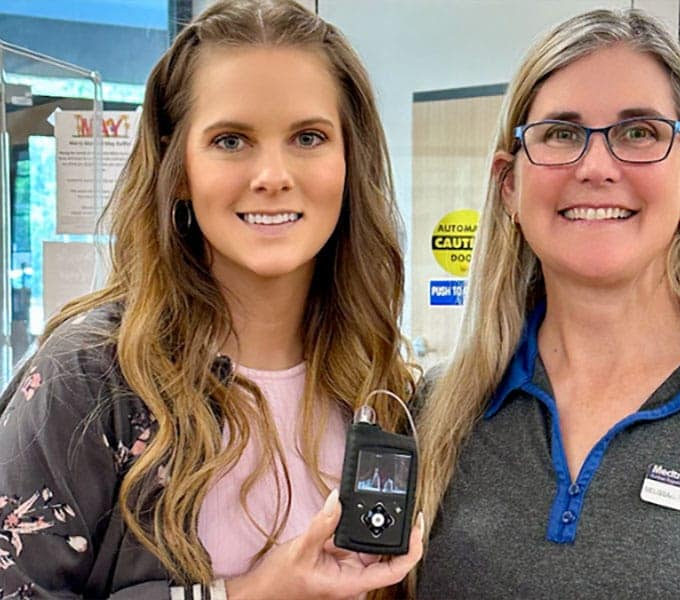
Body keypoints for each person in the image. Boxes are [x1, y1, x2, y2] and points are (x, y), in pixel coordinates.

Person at [0, 0, 423, 598]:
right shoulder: (88, 379)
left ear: (348, 161)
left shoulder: (382, 385)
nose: (272, 175)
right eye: (231, 140)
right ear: (178, 168)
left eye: (308, 136)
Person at [414, 8, 680, 599]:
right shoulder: (435, 414)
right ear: (509, 186)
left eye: (639, 132)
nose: (596, 167)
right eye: (562, 133)